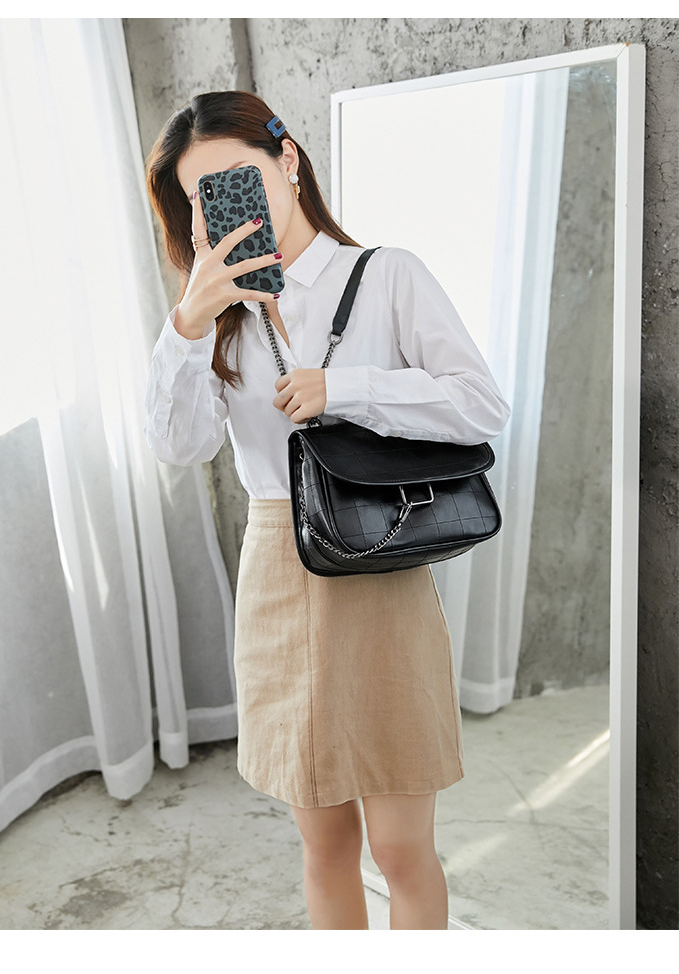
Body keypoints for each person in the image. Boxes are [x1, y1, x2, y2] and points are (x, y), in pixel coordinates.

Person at [143, 90, 511, 931]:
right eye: (202, 195)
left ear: (288, 159)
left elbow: (480, 406)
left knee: (403, 849)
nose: (224, 204)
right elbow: (178, 445)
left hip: (381, 559)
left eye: (237, 177)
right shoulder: (216, 317)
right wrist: (190, 320)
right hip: (279, 570)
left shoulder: (386, 275)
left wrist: (343, 389)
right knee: (323, 845)